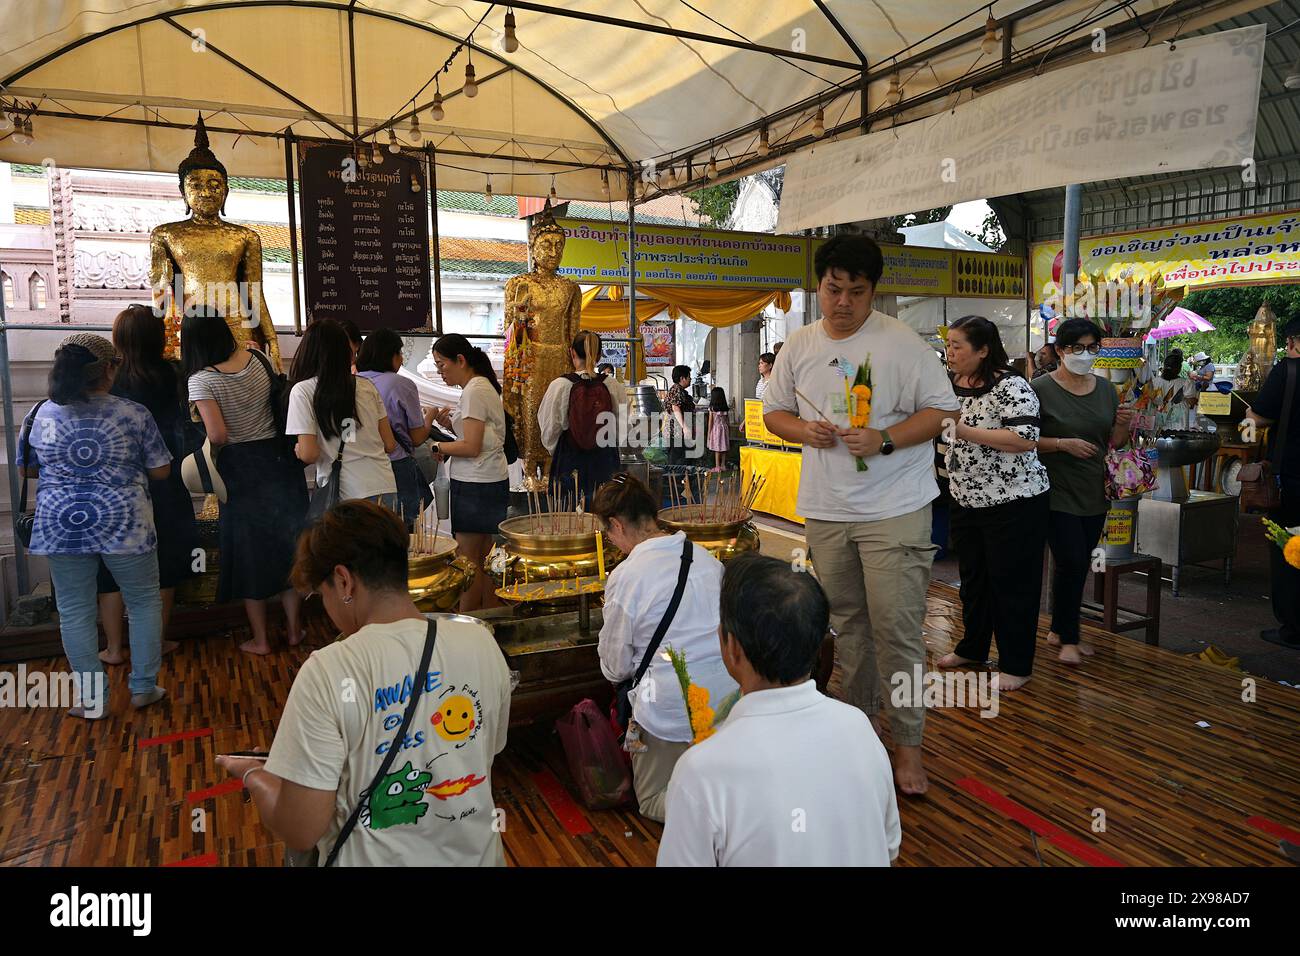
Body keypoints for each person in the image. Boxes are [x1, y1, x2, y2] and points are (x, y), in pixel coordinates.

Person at [762, 234, 959, 796]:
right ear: (818, 286)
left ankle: (908, 750)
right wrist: (805, 430)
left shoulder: (904, 345)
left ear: (874, 291)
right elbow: (776, 411)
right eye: (833, 289)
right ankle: (862, 733)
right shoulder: (798, 345)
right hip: (826, 511)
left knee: (896, 631)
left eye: (856, 290)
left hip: (894, 509)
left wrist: (886, 439)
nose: (843, 301)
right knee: (849, 627)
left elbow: (943, 412)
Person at [215, 501, 512, 866]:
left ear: (343, 580)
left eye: (321, 594)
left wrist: (254, 776)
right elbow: (486, 749)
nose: (326, 607)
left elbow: (300, 829)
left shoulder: (328, 670)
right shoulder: (480, 643)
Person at [658, 553, 900, 866]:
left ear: (730, 647)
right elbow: (889, 850)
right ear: (816, 644)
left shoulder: (701, 771)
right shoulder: (860, 729)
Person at [18, 333, 170, 717]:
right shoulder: (132, 414)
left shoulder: (40, 415)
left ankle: (93, 700)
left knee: (73, 610)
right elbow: (162, 469)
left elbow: (27, 468)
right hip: (124, 521)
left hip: (61, 522)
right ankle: (143, 688)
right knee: (142, 601)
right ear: (107, 368)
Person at [592, 474, 737, 822]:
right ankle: (726, 790)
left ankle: (715, 813)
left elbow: (614, 668)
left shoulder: (627, 576)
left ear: (616, 524)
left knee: (653, 799)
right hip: (727, 701)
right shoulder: (706, 559)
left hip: (666, 710)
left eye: (608, 534)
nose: (611, 542)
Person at [936, 316, 1050, 691]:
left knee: (1012, 583)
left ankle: (1017, 664)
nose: (950, 353)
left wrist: (961, 429)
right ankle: (973, 646)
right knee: (973, 580)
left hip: (1014, 501)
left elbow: (1024, 438)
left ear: (983, 350)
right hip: (964, 497)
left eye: (958, 346)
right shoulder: (948, 384)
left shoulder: (1011, 385)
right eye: (948, 344)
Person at [185, 310, 308, 655]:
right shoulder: (256, 357)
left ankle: (262, 639)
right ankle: (296, 630)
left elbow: (218, 434)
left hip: (241, 469)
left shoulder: (200, 380)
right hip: (280, 461)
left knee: (249, 553)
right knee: (288, 545)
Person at [97, 305, 200, 665]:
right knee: (166, 562)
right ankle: (156, 642)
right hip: (167, 479)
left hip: (117, 484)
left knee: (109, 567)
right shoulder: (174, 375)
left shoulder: (109, 378)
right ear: (158, 338)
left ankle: (113, 647)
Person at [1032, 318, 1133, 665]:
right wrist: (1062, 444)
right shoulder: (1040, 389)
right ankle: (1069, 638)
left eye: (1092, 348)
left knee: (1079, 563)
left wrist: (1122, 425)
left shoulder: (1106, 390)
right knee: (1071, 559)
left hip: (1095, 489)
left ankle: (1060, 629)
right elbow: (1022, 442)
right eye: (1077, 348)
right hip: (1054, 489)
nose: (1085, 355)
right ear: (1059, 350)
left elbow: (1114, 443)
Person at [430, 334, 509, 612]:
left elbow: (472, 446)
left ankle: (468, 618)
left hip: (475, 483)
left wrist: (439, 445)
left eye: (442, 365)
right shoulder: (481, 387)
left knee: (469, 559)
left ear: (460, 360)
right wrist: (451, 427)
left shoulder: (475, 390)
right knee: (486, 555)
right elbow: (479, 438)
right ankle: (491, 613)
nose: (441, 372)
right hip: (489, 479)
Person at [287, 319, 398, 509]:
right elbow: (389, 444)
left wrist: (299, 450)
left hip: (346, 494)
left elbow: (309, 453)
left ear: (308, 350)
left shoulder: (303, 391)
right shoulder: (366, 386)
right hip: (384, 485)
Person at [1246, 319, 1300, 650]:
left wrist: (1251, 416)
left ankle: (1293, 628)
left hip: (1292, 480)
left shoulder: (1288, 372)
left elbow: (1258, 417)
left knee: (1289, 551)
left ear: (1293, 342)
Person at [355, 327, 437, 527]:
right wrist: (431, 415)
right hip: (396, 465)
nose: (401, 359)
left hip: (359, 466)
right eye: (399, 353)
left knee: (370, 526)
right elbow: (417, 438)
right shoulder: (401, 384)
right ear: (389, 355)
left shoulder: (352, 382)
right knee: (401, 526)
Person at [537, 330, 625, 504]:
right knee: (605, 514)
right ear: (599, 355)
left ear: (572, 352)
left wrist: (560, 450)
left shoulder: (559, 385)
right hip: (605, 461)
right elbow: (623, 428)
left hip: (569, 462)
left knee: (570, 520)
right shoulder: (613, 385)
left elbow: (549, 430)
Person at [663, 363, 699, 469]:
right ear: (682, 378)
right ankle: (677, 483)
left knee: (682, 459)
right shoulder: (676, 390)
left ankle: (680, 482)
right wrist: (685, 427)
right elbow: (675, 408)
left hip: (678, 433)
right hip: (676, 433)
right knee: (678, 461)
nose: (690, 379)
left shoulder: (679, 391)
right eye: (688, 377)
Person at [707, 386, 730, 472]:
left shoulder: (712, 409)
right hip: (724, 429)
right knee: (724, 447)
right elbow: (728, 421)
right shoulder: (725, 409)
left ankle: (717, 466)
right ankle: (723, 465)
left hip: (716, 429)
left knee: (717, 448)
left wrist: (709, 434)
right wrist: (729, 430)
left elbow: (710, 422)